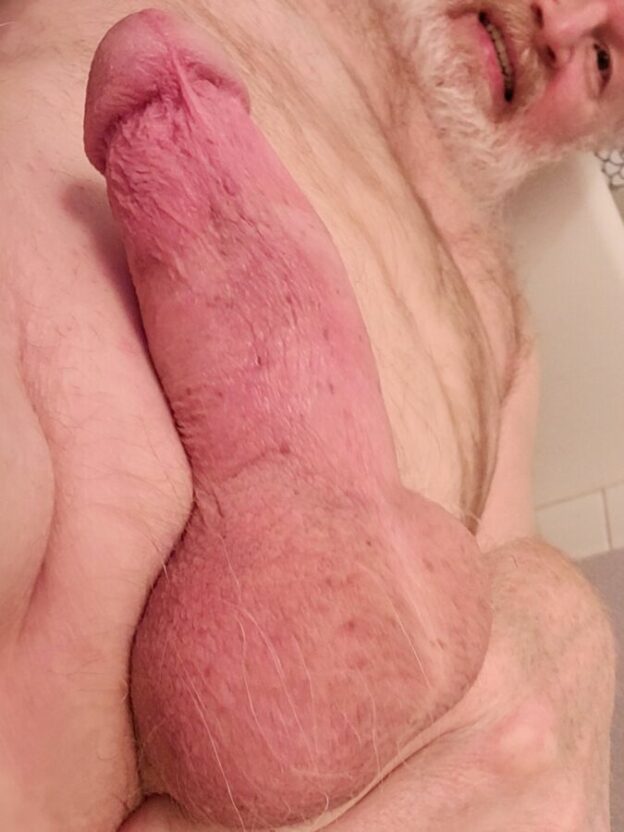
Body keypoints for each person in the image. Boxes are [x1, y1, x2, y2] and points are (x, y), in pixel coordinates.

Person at [0, 0, 617, 829]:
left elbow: (510, 610)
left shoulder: (504, 325)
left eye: (606, 61)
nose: (561, 26)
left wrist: (572, 633)